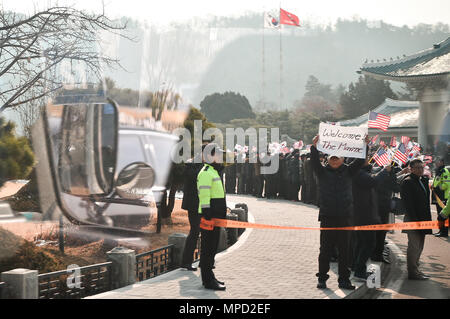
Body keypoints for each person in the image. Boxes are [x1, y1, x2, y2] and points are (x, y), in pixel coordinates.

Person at [311, 135, 368, 290]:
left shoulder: (349, 172)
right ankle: (322, 278)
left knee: (345, 251)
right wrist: (314, 147)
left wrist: (365, 145)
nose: (334, 160)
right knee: (325, 250)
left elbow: (360, 161)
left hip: (345, 217)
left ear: (342, 159)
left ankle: (344, 280)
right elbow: (314, 162)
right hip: (327, 216)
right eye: (332, 158)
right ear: (328, 159)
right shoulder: (322, 172)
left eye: (337, 158)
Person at [352, 158, 390, 281]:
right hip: (364, 215)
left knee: (361, 242)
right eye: (365, 159)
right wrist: (385, 171)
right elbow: (374, 181)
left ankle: (356, 267)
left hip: (365, 214)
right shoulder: (359, 173)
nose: (369, 161)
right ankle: (359, 270)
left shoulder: (360, 172)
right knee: (369, 243)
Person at [197, 143, 227, 290]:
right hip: (210, 217)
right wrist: (207, 214)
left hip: (216, 216)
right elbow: (204, 195)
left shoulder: (214, 171)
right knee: (208, 250)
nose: (221, 156)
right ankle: (208, 281)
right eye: (218, 154)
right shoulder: (206, 172)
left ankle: (210, 277)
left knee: (212, 249)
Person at [400, 159, 432, 280]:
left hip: (423, 219)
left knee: (420, 246)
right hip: (413, 220)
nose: (420, 170)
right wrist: (415, 222)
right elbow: (408, 205)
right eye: (417, 167)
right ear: (411, 169)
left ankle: (416, 269)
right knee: (414, 246)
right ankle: (412, 272)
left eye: (421, 167)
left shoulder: (421, 180)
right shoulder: (408, 182)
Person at [180, 158, 204, 271]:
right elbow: (193, 179)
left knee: (200, 232)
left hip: (198, 204)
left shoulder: (196, 166)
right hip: (194, 205)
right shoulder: (194, 167)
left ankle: (201, 261)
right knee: (195, 231)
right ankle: (186, 262)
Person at [432, 158, 449, 237]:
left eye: (437, 162)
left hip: (443, 196)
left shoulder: (444, 171)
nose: (436, 163)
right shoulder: (439, 170)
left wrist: (437, 187)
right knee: (440, 213)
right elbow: (437, 181)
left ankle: (443, 232)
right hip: (438, 195)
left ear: (442, 162)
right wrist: (433, 186)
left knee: (443, 215)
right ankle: (441, 230)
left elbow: (446, 184)